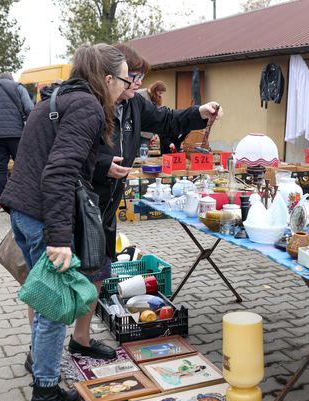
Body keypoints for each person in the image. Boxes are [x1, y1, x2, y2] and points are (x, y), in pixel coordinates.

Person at [63, 43, 222, 362]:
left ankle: (81, 339)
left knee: (99, 269)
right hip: (78, 199)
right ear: (111, 77)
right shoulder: (89, 103)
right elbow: (68, 155)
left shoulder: (135, 105)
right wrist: (100, 166)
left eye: (138, 77)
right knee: (61, 273)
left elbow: (168, 120)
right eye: (132, 76)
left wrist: (198, 113)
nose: (136, 83)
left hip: (107, 203)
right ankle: (43, 346)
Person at [0, 43, 128, 401]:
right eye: (124, 80)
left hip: (24, 212)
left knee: (43, 302)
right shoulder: (87, 105)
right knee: (55, 309)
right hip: (42, 217)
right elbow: (59, 172)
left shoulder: (56, 97)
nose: (126, 88)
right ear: (106, 79)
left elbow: (41, 157)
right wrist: (59, 238)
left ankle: (47, 377)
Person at [0, 72, 34, 212]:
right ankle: (22, 199)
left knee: (0, 168)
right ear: (11, 78)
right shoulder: (18, 87)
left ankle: (0, 203)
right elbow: (29, 109)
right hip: (16, 133)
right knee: (22, 167)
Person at [138, 80, 167, 148]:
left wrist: (155, 133)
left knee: (143, 155)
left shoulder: (157, 98)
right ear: (155, 89)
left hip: (147, 134)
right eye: (159, 92)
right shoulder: (140, 94)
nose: (160, 95)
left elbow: (156, 116)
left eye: (161, 93)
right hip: (138, 132)